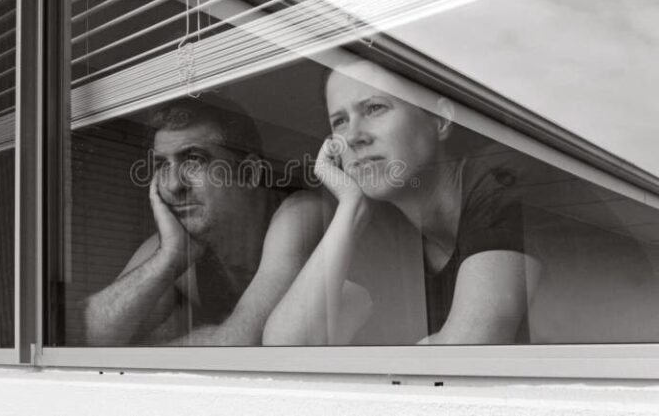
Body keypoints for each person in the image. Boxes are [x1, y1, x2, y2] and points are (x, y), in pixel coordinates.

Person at [263, 60, 542, 345]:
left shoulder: (499, 180)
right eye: (340, 122)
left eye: (374, 108)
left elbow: (471, 344)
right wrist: (350, 208)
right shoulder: (383, 219)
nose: (354, 137)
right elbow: (287, 345)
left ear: (440, 119)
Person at [84, 95, 324, 346]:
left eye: (194, 160)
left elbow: (236, 346)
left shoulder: (301, 213)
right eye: (162, 165)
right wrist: (169, 257)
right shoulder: (177, 245)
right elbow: (85, 337)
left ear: (249, 173)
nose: (174, 184)